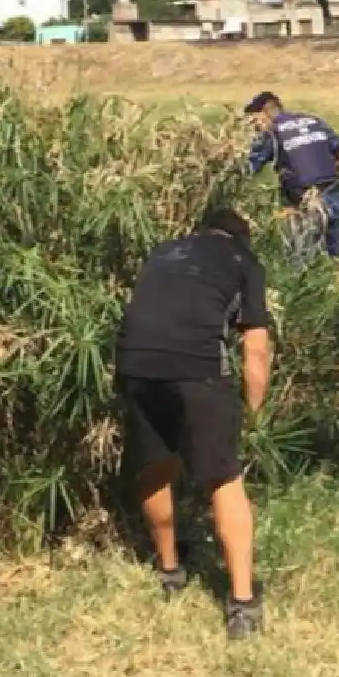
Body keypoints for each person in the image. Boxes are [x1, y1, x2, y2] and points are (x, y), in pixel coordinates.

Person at [116, 208, 272, 640]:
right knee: (223, 476)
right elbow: (255, 350)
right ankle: (242, 602)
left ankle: (169, 570)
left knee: (156, 464)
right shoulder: (244, 262)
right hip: (198, 366)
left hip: (135, 361)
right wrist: (255, 413)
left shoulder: (164, 251)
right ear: (241, 238)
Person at [244, 91, 339, 258]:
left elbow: (247, 168)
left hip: (305, 201)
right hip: (334, 193)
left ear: (265, 113)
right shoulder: (314, 121)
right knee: (335, 255)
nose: (255, 127)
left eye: (255, 121)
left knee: (301, 257)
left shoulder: (272, 132)